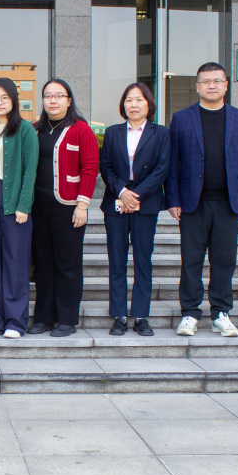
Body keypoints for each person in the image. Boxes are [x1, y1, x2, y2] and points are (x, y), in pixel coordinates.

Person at [165, 62, 238, 337]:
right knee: (191, 260)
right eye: (206, 81)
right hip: (192, 203)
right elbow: (173, 163)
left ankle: (221, 313)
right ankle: (190, 313)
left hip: (229, 203)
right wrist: (173, 199)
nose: (212, 85)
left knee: (225, 261)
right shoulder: (182, 118)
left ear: (226, 85)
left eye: (217, 81)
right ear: (197, 86)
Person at [27, 78, 99, 337]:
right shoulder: (34, 130)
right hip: (38, 207)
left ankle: (67, 319)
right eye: (48, 95)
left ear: (69, 100)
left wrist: (83, 204)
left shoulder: (81, 129)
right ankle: (44, 317)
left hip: (68, 207)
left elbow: (90, 168)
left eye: (59, 95)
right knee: (43, 264)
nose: (53, 100)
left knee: (68, 264)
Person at [100, 83, 170, 336]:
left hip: (146, 203)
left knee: (142, 260)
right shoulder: (113, 132)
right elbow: (106, 167)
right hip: (116, 202)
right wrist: (122, 192)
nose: (134, 104)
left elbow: (162, 168)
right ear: (123, 104)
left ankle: (141, 316)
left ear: (148, 104)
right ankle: (119, 315)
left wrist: (136, 194)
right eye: (129, 100)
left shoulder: (161, 133)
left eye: (139, 99)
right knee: (117, 261)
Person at [0, 78, 38, 339]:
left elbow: (30, 169)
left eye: (4, 97)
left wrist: (24, 204)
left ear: (13, 100)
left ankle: (15, 321)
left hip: (13, 199)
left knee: (15, 261)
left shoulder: (25, 129)